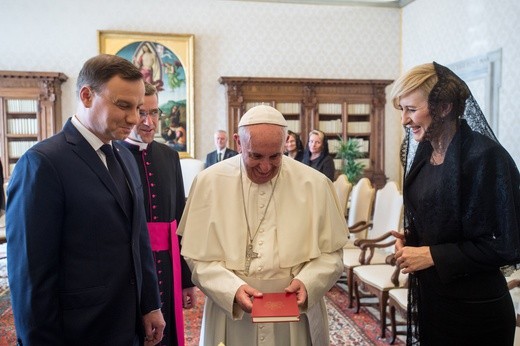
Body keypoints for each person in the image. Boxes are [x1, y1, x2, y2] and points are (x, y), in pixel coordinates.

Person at [6, 54, 165, 345]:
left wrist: (149, 304)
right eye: (123, 105)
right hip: (76, 331)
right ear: (87, 95)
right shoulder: (42, 163)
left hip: (127, 326)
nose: (134, 118)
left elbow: (137, 239)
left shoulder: (125, 158)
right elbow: (30, 277)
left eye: (139, 108)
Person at [177, 105, 348, 346]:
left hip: (293, 315)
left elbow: (332, 254)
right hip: (232, 315)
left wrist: (310, 282)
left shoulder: (315, 184)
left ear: (285, 144)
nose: (265, 167)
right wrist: (230, 289)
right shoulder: (208, 183)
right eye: (255, 156)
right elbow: (196, 257)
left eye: (275, 156)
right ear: (238, 142)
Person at [391, 62, 520, 345]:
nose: (404, 120)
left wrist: (432, 255)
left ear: (445, 107)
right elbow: (445, 223)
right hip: (434, 302)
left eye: (411, 109)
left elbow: (509, 245)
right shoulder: (424, 153)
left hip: (477, 313)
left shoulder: (487, 158)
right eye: (402, 110)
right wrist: (412, 241)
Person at [120, 82, 197, 346]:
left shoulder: (169, 156)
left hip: (167, 263)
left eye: (154, 113)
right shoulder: (114, 154)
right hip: (131, 265)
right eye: (142, 112)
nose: (149, 122)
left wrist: (187, 280)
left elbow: (180, 219)